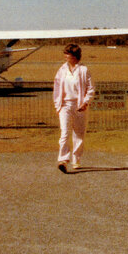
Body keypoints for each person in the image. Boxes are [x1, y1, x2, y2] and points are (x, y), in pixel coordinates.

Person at [52, 43, 95, 173]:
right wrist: (58, 105)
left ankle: (76, 159)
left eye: (68, 55)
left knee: (79, 134)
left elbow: (91, 88)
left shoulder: (84, 70)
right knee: (64, 132)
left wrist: (85, 102)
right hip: (65, 105)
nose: (66, 57)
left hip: (80, 105)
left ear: (75, 56)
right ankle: (63, 160)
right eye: (65, 55)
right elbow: (57, 88)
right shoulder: (62, 70)